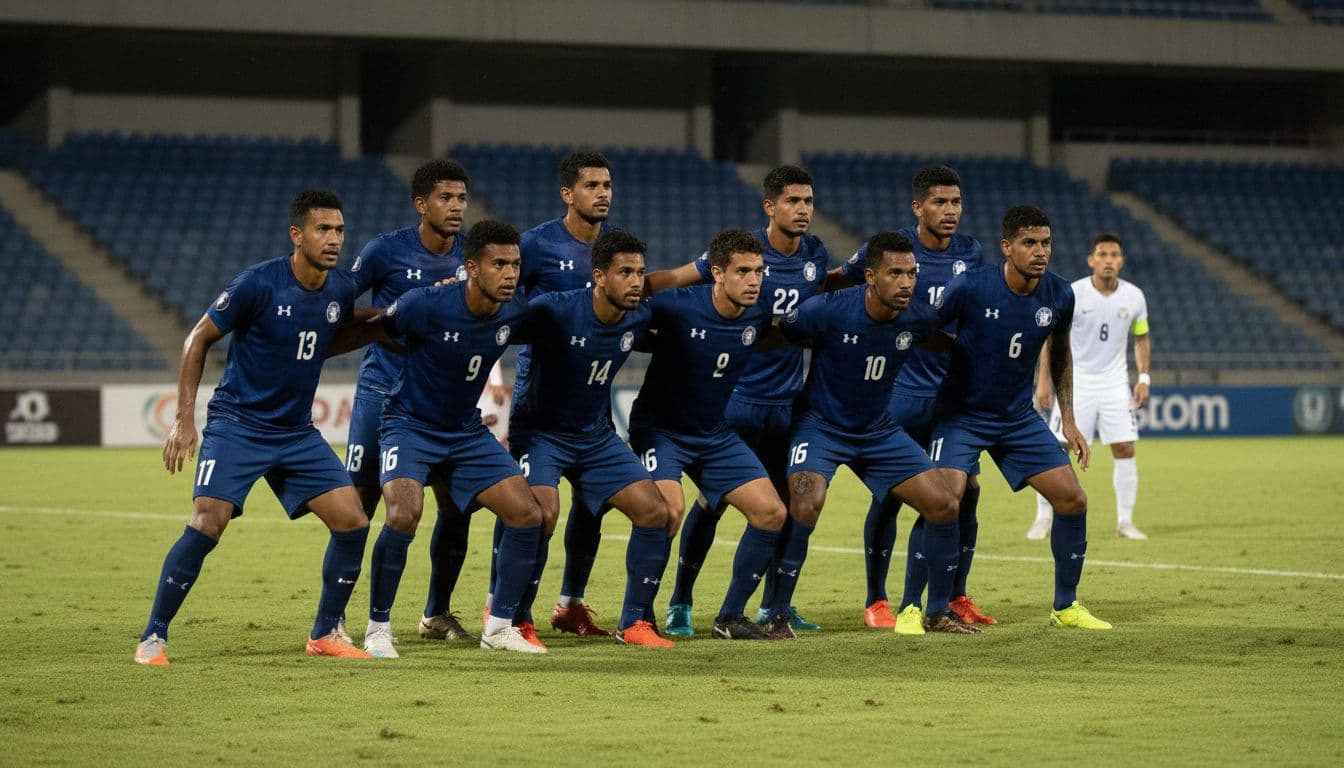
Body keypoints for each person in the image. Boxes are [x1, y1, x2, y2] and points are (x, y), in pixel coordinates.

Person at [135, 189, 371, 665]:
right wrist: (185, 420)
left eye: (340, 230)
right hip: (237, 425)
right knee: (209, 521)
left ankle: (325, 633)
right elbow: (197, 338)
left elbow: (326, 337)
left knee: (353, 521)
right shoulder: (258, 283)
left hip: (296, 432)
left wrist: (386, 326)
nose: (334, 239)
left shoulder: (341, 289)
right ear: (297, 234)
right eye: (323, 229)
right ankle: (153, 636)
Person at [645, 165, 831, 636]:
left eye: (808, 201)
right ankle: (680, 601)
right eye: (793, 201)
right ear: (770, 206)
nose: (803, 210)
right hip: (737, 398)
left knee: (782, 506)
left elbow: (826, 299)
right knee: (712, 505)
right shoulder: (738, 251)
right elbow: (680, 278)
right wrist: (627, 288)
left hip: (788, 402)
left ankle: (772, 607)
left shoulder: (814, 255)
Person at [770, 231, 969, 637]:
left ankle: (935, 611)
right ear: (870, 277)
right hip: (820, 426)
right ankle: (776, 613)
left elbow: (940, 343)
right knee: (807, 502)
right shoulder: (826, 310)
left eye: (912, 273)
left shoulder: (917, 317)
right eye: (895, 273)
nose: (907, 282)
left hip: (878, 431)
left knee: (945, 504)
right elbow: (774, 333)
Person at [363, 219, 548, 655]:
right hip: (409, 424)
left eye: (515, 264)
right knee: (404, 514)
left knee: (527, 514)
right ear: (472, 268)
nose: (510, 273)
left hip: (464, 431)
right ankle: (377, 629)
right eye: (498, 264)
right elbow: (372, 327)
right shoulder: (424, 303)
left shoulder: (515, 310)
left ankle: (499, 627)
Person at [926, 205, 1112, 631]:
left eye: (1045, 243)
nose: (1040, 252)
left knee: (1072, 498)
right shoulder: (971, 287)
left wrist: (1068, 418)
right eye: (1029, 243)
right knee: (946, 501)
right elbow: (927, 331)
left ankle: (1065, 606)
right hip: (962, 416)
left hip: (1017, 418)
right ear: (1007, 247)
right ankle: (936, 609)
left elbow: (1062, 354)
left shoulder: (1060, 294)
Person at [828, 164, 993, 631]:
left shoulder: (970, 252)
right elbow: (841, 282)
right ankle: (878, 599)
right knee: (893, 496)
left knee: (967, 495)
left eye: (956, 202)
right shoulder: (891, 249)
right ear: (918, 207)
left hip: (953, 398)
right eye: (939, 203)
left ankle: (954, 594)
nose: (950, 211)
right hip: (901, 392)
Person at [506, 229, 676, 648]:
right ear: (599, 276)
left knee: (658, 512)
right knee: (542, 513)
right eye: (625, 272)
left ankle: (634, 623)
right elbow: (496, 326)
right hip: (541, 431)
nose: (636, 281)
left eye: (640, 272)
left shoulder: (638, 317)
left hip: (594, 436)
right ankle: (516, 618)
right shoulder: (554, 310)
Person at [344, 159, 481, 650]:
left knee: (457, 507)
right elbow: (340, 305)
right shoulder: (386, 250)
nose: (457, 207)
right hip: (382, 394)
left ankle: (436, 612)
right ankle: (336, 619)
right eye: (446, 198)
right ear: (421, 204)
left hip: (445, 406)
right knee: (358, 508)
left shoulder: (474, 256)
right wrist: (395, 315)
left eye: (462, 198)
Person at [627, 229, 785, 640]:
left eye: (759, 271)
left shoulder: (759, 309)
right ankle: (637, 618)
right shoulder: (677, 306)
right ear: (717, 273)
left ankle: (729, 617)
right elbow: (628, 309)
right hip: (660, 430)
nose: (754, 280)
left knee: (772, 512)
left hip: (713, 433)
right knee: (669, 511)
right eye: (744, 271)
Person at [504, 150, 617, 637]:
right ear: (568, 194)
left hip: (594, 406)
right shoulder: (536, 245)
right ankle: (512, 609)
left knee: (594, 508)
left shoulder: (615, 252)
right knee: (537, 511)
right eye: (592, 185)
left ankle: (570, 604)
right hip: (541, 404)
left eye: (608, 184)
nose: (604, 193)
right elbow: (501, 304)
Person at [1028, 232, 1151, 540]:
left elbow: (1141, 337)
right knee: (1057, 448)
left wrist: (1144, 377)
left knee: (1124, 447)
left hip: (1115, 383)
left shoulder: (1134, 297)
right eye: (1102, 254)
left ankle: (1125, 522)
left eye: (1114, 255)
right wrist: (1043, 383)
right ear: (1091, 260)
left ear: (1121, 261)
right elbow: (1052, 341)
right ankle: (1043, 516)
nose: (1108, 260)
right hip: (1076, 382)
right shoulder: (1074, 293)